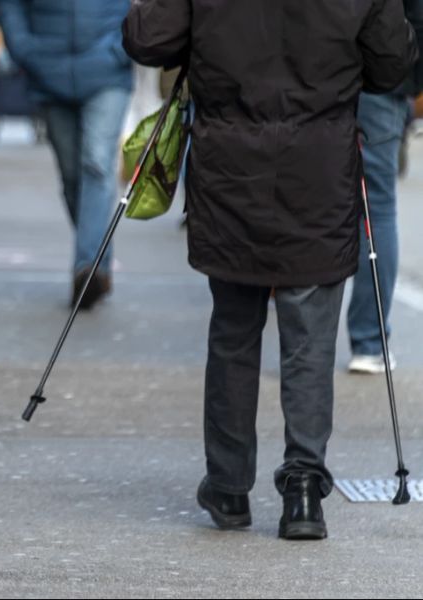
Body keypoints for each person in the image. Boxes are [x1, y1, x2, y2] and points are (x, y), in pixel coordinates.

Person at [124, 0, 417, 540]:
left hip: (230, 170)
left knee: (234, 331)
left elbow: (146, 40)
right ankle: (303, 492)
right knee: (311, 340)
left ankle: (229, 486)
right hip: (319, 169)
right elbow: (391, 65)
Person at [0, 0, 132, 309]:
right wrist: (26, 50)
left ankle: (87, 268)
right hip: (49, 73)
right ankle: (99, 262)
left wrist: (121, 49)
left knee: (97, 164)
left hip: (107, 71)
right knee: (72, 177)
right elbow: (10, 6)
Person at [348, 1, 423, 374]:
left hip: (316, 71)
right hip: (380, 78)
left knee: (300, 190)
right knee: (376, 206)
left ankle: (285, 297)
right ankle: (369, 340)